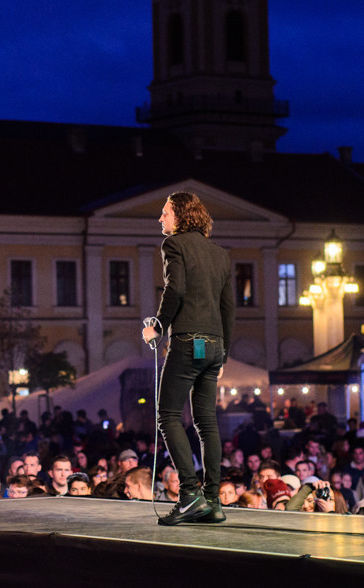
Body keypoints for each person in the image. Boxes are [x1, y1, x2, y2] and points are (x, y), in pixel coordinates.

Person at [142, 191, 234, 526]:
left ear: (181, 216)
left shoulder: (174, 245)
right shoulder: (220, 254)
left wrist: (157, 326)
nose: (161, 219)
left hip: (189, 340)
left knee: (167, 414)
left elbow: (176, 290)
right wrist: (223, 352)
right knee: (206, 422)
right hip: (214, 345)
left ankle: (190, 494)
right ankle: (213, 500)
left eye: (165, 213)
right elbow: (228, 308)